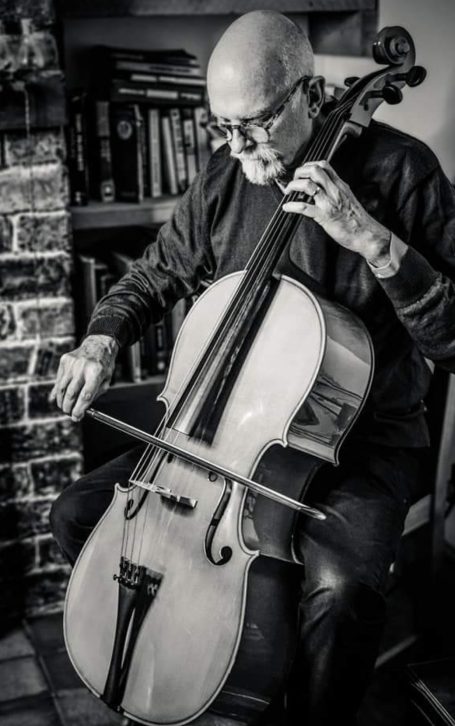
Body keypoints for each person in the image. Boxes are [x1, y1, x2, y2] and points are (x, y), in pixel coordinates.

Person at [49, 10, 455, 726]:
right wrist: (102, 339)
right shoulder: (224, 177)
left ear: (307, 93)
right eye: (221, 127)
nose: (236, 147)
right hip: (226, 429)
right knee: (79, 514)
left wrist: (371, 240)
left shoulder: (402, 172)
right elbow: (152, 277)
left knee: (342, 592)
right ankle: (206, 660)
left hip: (359, 442)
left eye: (255, 125)